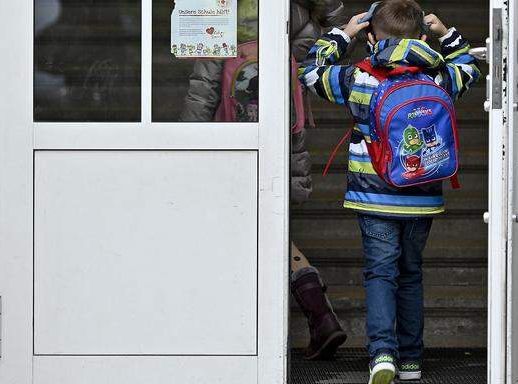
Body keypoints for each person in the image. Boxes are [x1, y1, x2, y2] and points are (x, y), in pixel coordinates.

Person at [298, 0, 481, 382]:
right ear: (420, 36)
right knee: (411, 274)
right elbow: (468, 66)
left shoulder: (360, 78)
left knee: (381, 274)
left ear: (370, 37)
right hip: (422, 195)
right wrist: (446, 34)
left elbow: (311, 71)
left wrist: (341, 34)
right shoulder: (438, 78)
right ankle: (412, 360)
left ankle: (383, 354)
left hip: (373, 195)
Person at [179, 0, 350, 360]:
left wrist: (188, 145)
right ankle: (319, 315)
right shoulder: (293, 11)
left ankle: (300, 321)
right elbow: (326, 22)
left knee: (245, 227)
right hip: (281, 120)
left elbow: (205, 83)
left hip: (235, 134)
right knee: (262, 227)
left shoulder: (220, 10)